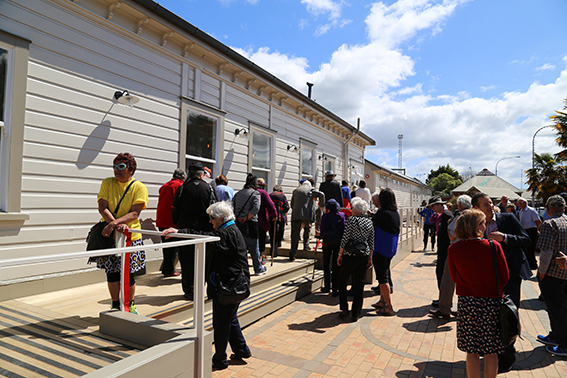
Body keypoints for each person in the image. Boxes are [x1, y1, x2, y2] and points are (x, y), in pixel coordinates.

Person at [162, 201, 251, 370]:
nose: (210, 221)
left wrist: (180, 232)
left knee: (221, 324)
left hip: (229, 287)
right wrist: (179, 231)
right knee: (230, 319)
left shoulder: (226, 234)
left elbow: (203, 237)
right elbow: (204, 234)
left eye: (212, 218)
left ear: (222, 218)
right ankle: (242, 350)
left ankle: (220, 360)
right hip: (236, 285)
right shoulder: (229, 230)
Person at [471, 192, 531, 373]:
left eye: (490, 203)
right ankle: (492, 351)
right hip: (488, 277)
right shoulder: (474, 225)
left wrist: (505, 237)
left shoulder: (507, 218)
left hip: (511, 275)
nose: (490, 206)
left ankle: (507, 355)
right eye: (485, 204)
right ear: (476, 208)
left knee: (509, 313)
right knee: (490, 314)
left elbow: (527, 240)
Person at [448, 209, 509, 378]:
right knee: (491, 351)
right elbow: (505, 276)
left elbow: (454, 278)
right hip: (491, 302)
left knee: (471, 350)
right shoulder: (492, 246)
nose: (485, 225)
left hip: (467, 304)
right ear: (475, 226)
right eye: (482, 222)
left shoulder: (453, 249)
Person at [88, 153, 148, 314]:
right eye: (115, 166)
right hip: (110, 237)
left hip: (130, 237)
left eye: (121, 166)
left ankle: (129, 304)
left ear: (131, 169)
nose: (117, 170)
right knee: (112, 272)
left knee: (128, 273)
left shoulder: (139, 187)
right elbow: (102, 207)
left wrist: (114, 223)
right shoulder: (107, 183)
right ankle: (115, 304)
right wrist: (114, 225)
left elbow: (135, 213)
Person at [172, 161, 217, 300]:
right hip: (203, 229)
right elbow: (213, 209)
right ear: (201, 174)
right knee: (202, 260)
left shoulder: (182, 188)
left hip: (184, 228)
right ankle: (199, 289)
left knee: (186, 261)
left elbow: (175, 209)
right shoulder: (208, 188)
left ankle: (189, 290)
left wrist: (177, 223)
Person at [430, 194, 472, 320]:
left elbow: (452, 235)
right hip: (470, 252)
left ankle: (444, 308)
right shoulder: (475, 216)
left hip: (456, 251)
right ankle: (463, 309)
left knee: (448, 281)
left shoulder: (459, 216)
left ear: (459, 205)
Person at [535, 195, 567, 357]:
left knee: (556, 308)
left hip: (552, 274)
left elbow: (546, 253)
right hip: (565, 272)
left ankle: (564, 343)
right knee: (560, 306)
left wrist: (541, 274)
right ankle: (556, 336)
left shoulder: (549, 224)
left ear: (548, 208)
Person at [337, 197, 374, 322]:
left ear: (355, 210)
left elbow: (345, 239)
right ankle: (356, 313)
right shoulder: (369, 222)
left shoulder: (351, 220)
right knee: (359, 285)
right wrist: (370, 258)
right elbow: (371, 242)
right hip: (363, 255)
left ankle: (344, 309)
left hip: (349, 255)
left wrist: (340, 254)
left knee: (342, 281)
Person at [371, 189, 400, 316]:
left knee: (383, 278)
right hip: (390, 248)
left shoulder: (382, 213)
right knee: (385, 271)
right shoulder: (395, 213)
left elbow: (373, 222)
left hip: (380, 248)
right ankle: (382, 301)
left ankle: (388, 305)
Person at [233, 173, 266, 275]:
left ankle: (240, 269)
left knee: (239, 248)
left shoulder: (237, 194)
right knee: (253, 247)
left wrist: (238, 218)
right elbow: (256, 208)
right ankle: (258, 268)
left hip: (238, 223)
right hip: (251, 224)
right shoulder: (255, 194)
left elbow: (232, 207)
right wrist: (246, 218)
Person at [156, 168, 186, 277]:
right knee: (174, 247)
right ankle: (169, 270)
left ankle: (167, 268)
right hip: (172, 221)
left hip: (161, 220)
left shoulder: (164, 186)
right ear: (182, 177)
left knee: (166, 247)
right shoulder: (180, 186)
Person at [428, 196, 453, 307]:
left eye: (433, 206)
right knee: (440, 274)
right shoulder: (442, 215)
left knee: (442, 274)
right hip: (442, 249)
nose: (432, 208)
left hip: (446, 250)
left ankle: (444, 300)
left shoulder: (447, 215)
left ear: (439, 204)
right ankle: (442, 298)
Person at [290, 180, 325, 260]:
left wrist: (295, 210)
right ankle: (306, 246)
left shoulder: (296, 190)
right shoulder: (311, 190)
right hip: (306, 213)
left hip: (296, 214)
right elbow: (322, 194)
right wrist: (322, 205)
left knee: (295, 234)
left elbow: (292, 204)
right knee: (307, 228)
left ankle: (292, 253)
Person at [320, 199, 345, 296]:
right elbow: (343, 229)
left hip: (327, 242)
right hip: (338, 242)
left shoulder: (325, 217)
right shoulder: (342, 215)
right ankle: (335, 288)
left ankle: (327, 287)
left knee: (326, 264)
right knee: (336, 264)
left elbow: (322, 231)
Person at [517, 197, 542, 270]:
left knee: (531, 248)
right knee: (525, 248)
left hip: (531, 230)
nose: (519, 204)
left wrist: (537, 230)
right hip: (524, 231)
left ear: (524, 203)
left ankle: (533, 265)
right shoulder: (520, 211)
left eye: (520, 203)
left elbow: (538, 221)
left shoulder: (531, 210)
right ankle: (528, 264)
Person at [256, 178, 276, 259]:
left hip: (248, 220)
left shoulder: (249, 191)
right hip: (261, 220)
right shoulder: (263, 193)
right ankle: (260, 257)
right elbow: (270, 205)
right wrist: (274, 215)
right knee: (261, 239)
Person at [269, 185, 290, 255]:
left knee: (272, 233)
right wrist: (284, 211)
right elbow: (287, 206)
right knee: (281, 230)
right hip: (281, 216)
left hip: (272, 217)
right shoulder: (282, 195)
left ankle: (273, 250)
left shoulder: (270, 195)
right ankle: (279, 243)